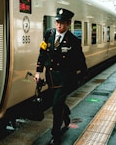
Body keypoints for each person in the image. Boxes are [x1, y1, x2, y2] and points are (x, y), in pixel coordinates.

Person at [35, 8, 87, 145]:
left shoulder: (74, 41)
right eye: (57, 22)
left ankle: (55, 135)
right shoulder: (49, 34)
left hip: (65, 79)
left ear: (68, 23)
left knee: (56, 106)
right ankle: (66, 113)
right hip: (51, 77)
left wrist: (81, 75)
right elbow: (42, 53)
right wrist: (38, 71)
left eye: (62, 23)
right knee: (57, 102)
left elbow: (80, 60)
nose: (59, 25)